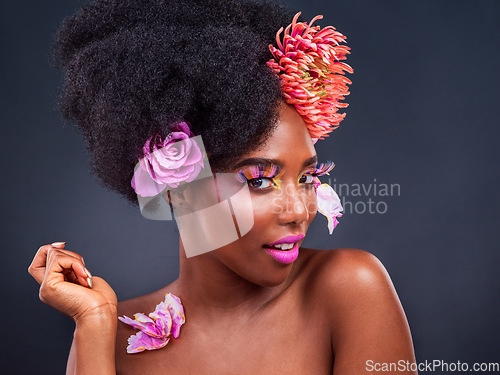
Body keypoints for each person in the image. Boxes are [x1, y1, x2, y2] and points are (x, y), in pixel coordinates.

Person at [28, 0, 417, 373]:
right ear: (178, 188)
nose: (299, 210)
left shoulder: (349, 289)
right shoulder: (113, 338)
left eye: (307, 178)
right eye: (260, 180)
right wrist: (94, 324)